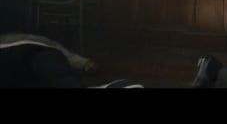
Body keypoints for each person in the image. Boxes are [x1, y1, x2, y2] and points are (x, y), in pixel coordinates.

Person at [0, 32, 142, 88]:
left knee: (58, 77)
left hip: (36, 55)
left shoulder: (24, 44)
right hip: (27, 69)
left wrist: (82, 62)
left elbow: (48, 45)